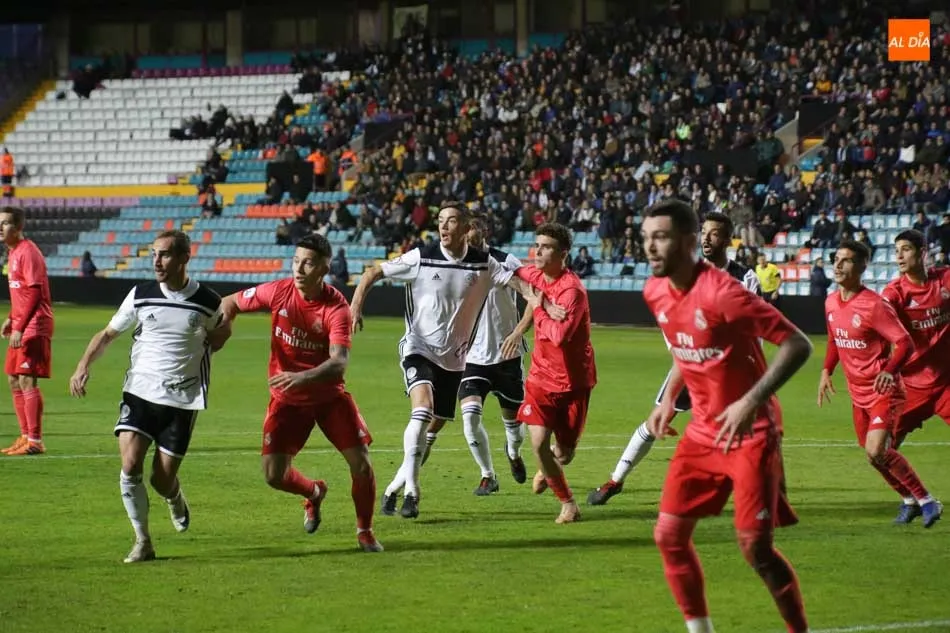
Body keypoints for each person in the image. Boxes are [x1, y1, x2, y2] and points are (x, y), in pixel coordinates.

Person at [641, 199, 813, 633]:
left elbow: (797, 345)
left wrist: (752, 399)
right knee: (668, 536)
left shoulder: (724, 292)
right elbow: (685, 344)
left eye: (659, 237)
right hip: (701, 433)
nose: (649, 246)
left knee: (755, 550)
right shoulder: (654, 291)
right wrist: (667, 398)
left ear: (687, 240)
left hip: (752, 432)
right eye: (645, 238)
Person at [349, 203, 558, 519]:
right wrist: (355, 307)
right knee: (425, 414)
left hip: (466, 360)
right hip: (425, 349)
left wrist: (541, 308)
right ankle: (417, 492)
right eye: (440, 221)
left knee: (489, 422)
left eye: (453, 221)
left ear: (469, 228)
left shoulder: (489, 264)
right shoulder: (422, 256)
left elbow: (525, 289)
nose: (445, 227)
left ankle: (394, 488)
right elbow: (373, 272)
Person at [68, 230, 231, 563]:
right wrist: (83, 365)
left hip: (182, 399)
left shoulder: (207, 300)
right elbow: (108, 333)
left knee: (161, 478)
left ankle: (174, 497)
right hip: (140, 391)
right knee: (130, 465)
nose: (157, 261)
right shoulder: (139, 295)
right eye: (154, 254)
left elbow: (223, 329)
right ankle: (143, 541)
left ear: (185, 258)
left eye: (166, 254)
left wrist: (207, 349)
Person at [219, 234, 383, 552]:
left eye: (307, 262)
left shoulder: (336, 308)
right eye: (295, 260)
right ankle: (314, 493)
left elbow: (339, 363)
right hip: (287, 401)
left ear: (324, 267)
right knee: (273, 476)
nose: (298, 268)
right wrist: (222, 330)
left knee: (361, 464)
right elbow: (230, 302)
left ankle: (365, 531)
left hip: (328, 398)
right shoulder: (278, 291)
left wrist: (303, 377)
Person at [588, 211, 760, 505]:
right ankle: (615, 480)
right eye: (703, 231)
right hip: (690, 363)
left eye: (714, 233)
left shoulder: (745, 278)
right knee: (656, 421)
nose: (707, 237)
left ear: (728, 239)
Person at [820, 238, 942, 528]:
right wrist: (826, 370)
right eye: (835, 259)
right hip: (857, 394)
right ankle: (909, 501)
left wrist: (889, 370)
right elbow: (835, 338)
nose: (837, 265)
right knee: (874, 457)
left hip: (883, 391)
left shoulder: (874, 305)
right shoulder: (830, 301)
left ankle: (927, 501)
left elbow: (904, 343)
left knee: (876, 450)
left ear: (862, 266)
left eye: (846, 260)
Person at [419, 216, 533, 493]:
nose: (469, 234)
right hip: (471, 357)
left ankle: (514, 453)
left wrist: (518, 332)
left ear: (485, 232)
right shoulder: (455, 264)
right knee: (470, 417)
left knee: (514, 428)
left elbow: (532, 297)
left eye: (473, 229)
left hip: (507, 355)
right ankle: (488, 475)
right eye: (465, 229)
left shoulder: (507, 261)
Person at [515, 222, 596, 524]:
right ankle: (569, 504)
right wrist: (541, 300)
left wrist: (538, 306)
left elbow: (559, 335)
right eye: (537, 245)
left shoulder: (572, 291)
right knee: (536, 443)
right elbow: (510, 274)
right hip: (539, 378)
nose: (538, 251)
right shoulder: (536, 276)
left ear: (563, 254)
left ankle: (548, 464)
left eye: (546, 247)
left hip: (573, 381)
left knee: (563, 453)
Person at [882, 233, 950, 476]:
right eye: (896, 250)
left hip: (946, 383)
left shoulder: (945, 279)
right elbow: (877, 324)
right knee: (881, 449)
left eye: (906, 249)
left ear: (922, 252)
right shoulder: (894, 294)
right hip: (911, 386)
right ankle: (913, 497)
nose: (899, 255)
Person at [1, 206, 54, 456]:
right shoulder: (13, 253)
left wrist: (20, 327)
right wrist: (11, 318)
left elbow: (34, 291)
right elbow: (21, 293)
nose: (0, 228)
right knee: (13, 377)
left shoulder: (28, 252)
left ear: (19, 227)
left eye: (6, 223)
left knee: (26, 378)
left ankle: (35, 440)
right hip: (22, 323)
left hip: (35, 324)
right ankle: (24, 436)